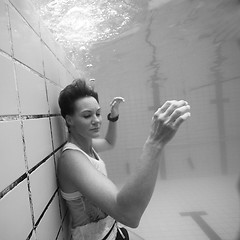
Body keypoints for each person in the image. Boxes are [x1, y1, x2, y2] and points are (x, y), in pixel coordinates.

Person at [57, 78, 191, 240]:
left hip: (112, 231)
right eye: (87, 116)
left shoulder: (87, 145)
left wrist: (113, 118)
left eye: (98, 113)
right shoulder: (71, 159)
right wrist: (155, 142)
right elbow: (129, 215)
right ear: (69, 120)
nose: (97, 120)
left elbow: (109, 143)